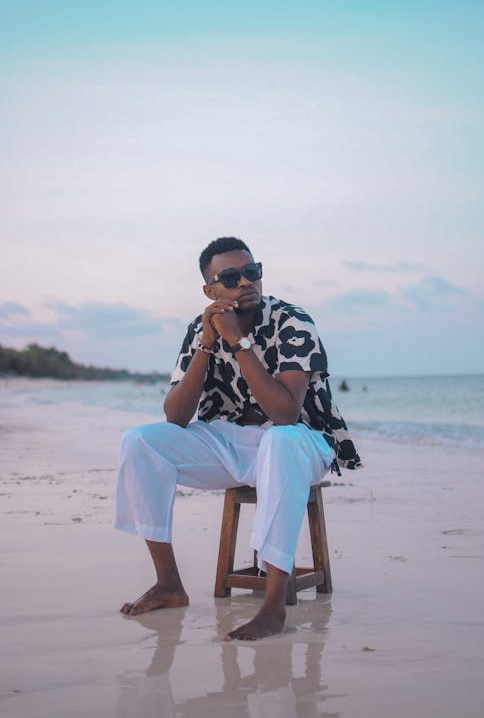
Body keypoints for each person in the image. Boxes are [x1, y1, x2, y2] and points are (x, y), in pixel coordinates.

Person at [113, 236, 361, 640]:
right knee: (139, 441)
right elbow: (176, 416)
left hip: (302, 442)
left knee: (279, 442)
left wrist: (238, 342)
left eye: (252, 272)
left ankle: (273, 606)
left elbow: (285, 414)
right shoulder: (200, 328)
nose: (246, 282)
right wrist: (208, 343)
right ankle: (169, 584)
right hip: (229, 441)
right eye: (230, 277)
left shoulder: (292, 321)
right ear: (210, 291)